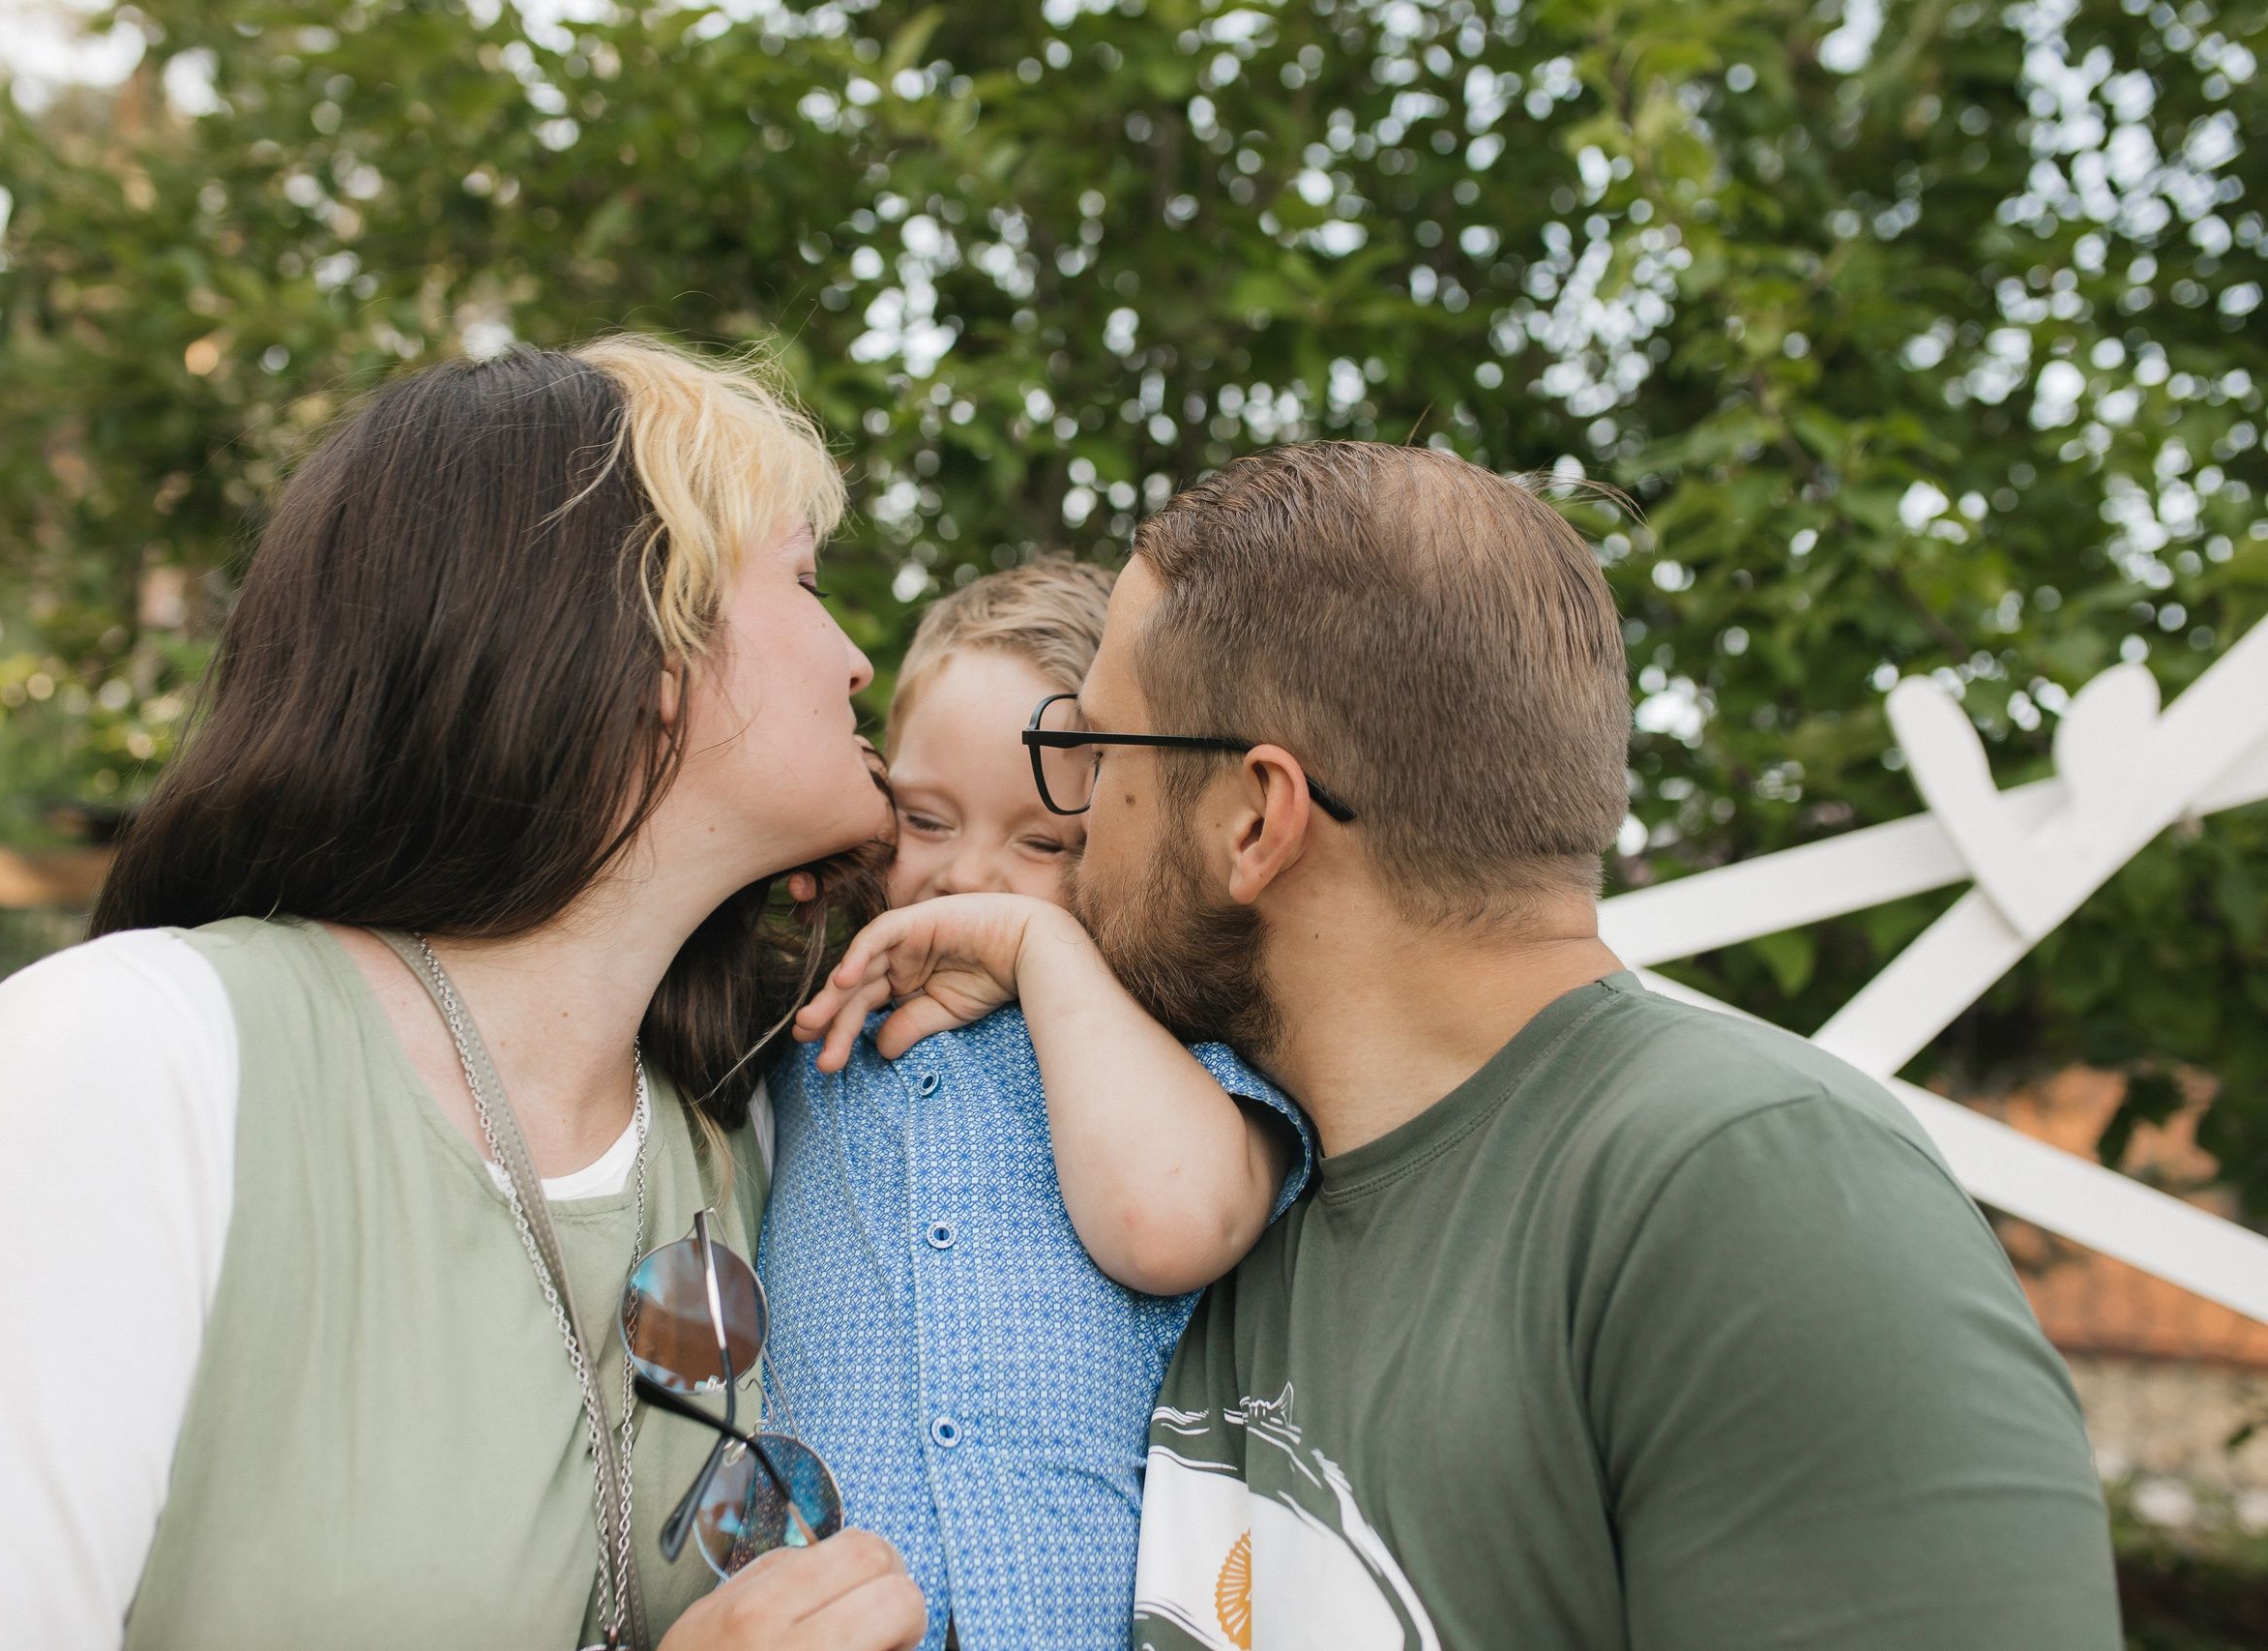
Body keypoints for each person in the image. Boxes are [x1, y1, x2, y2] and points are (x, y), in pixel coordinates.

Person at [808, 443, 2122, 1650]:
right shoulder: (1226, 1186)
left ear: (1255, 819)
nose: (1073, 817)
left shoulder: (1754, 1191)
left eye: (1092, 753)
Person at [0, 338, 927, 1651]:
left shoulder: (753, 1128)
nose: (856, 660)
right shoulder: (134, 1060)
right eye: (804, 581)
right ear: (646, 650)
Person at [762, 559, 1313, 1651]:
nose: (969, 873)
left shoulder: (1165, 1049)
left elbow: (1168, 1224)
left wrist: (1040, 945)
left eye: (1044, 843)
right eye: (925, 819)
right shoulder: (811, 1030)